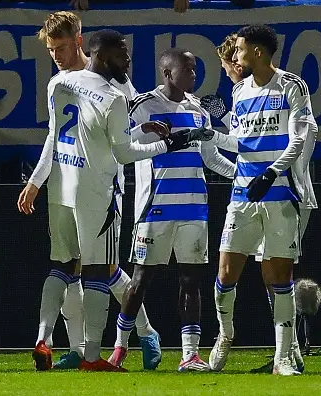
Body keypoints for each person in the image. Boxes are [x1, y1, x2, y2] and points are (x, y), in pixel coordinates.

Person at [23, 28, 206, 371]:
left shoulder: (60, 83)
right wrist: (167, 143)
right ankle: (94, 353)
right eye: (123, 55)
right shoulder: (118, 96)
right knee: (103, 272)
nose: (128, 61)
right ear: (104, 56)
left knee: (66, 266)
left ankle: (46, 339)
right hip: (106, 192)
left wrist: (144, 129)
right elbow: (122, 150)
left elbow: (80, 134)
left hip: (63, 184)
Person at [107, 48, 235, 372]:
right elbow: (121, 145)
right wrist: (146, 130)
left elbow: (210, 158)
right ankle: (119, 349)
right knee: (139, 282)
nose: (194, 76)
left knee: (191, 282)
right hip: (154, 210)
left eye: (194, 70)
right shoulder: (144, 106)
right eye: (188, 70)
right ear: (167, 73)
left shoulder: (198, 110)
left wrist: (241, 173)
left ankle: (189, 354)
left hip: (194, 209)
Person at [202, 24, 317, 376]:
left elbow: (298, 139)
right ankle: (225, 335)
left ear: (256, 51)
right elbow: (240, 142)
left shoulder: (292, 86)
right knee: (225, 273)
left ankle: (283, 357)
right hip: (243, 193)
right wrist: (210, 134)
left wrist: (271, 173)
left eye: (238, 48)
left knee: (278, 274)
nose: (234, 55)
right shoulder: (239, 92)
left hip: (281, 192)